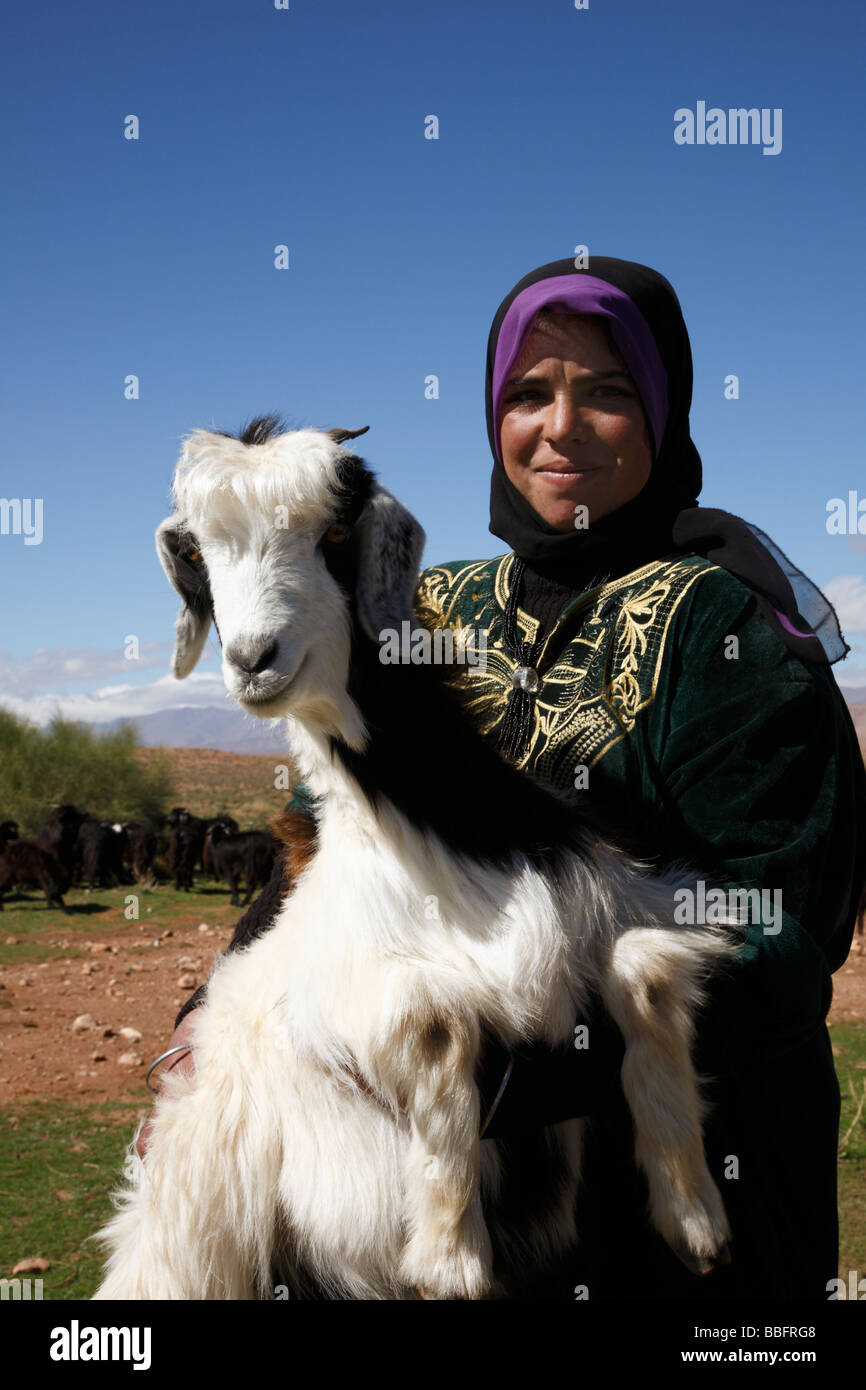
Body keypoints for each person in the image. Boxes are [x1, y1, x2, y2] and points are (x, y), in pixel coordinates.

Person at [143, 256, 866, 1301]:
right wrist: (206, 1022)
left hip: (675, 1226)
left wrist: (486, 1065)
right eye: (528, 393)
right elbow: (326, 831)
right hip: (474, 1228)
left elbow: (776, 939)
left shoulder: (726, 629)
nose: (559, 425)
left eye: (607, 392)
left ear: (662, 412)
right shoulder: (430, 606)